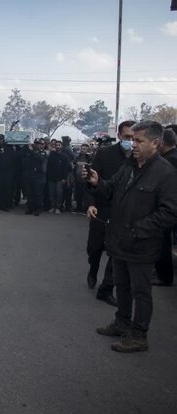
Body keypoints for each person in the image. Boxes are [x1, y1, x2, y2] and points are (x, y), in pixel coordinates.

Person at [86, 121, 177, 353]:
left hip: (141, 244)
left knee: (141, 291)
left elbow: (169, 213)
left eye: (139, 141)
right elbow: (111, 190)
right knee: (122, 286)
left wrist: (138, 230)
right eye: (132, 140)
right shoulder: (129, 165)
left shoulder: (165, 173)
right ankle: (122, 322)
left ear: (156, 143)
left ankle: (138, 335)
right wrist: (97, 184)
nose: (132, 144)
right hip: (119, 240)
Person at [85, 121, 135, 306]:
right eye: (127, 137)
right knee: (95, 247)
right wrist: (90, 204)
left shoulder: (140, 157)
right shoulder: (105, 154)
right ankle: (93, 270)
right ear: (119, 136)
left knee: (115, 251)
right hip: (102, 207)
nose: (131, 141)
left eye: (134, 137)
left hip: (123, 212)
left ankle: (106, 287)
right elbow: (92, 181)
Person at [152, 128, 177, 286]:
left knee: (163, 242)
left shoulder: (170, 160)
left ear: (161, 142)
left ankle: (164, 275)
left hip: (168, 206)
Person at [23, 138, 48, 216]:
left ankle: (38, 208)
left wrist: (32, 151)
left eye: (40, 144)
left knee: (38, 193)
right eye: (36, 143)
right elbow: (25, 160)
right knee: (29, 192)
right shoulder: (30, 152)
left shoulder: (42, 153)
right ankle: (30, 208)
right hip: (30, 174)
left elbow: (40, 159)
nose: (38, 145)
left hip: (38, 175)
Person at [46, 141, 70, 214]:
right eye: (56, 145)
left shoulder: (64, 156)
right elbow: (48, 167)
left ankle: (58, 207)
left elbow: (66, 169)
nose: (57, 146)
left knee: (59, 194)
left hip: (60, 179)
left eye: (59, 145)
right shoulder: (51, 155)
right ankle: (53, 207)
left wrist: (64, 178)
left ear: (61, 146)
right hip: (51, 178)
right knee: (51, 193)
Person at [73, 143, 92, 214]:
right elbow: (74, 167)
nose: (83, 150)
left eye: (84, 149)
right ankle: (78, 208)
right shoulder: (77, 157)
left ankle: (85, 209)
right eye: (82, 149)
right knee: (78, 194)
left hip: (86, 180)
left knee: (86, 195)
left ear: (87, 150)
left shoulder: (89, 158)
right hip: (78, 179)